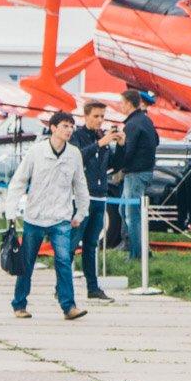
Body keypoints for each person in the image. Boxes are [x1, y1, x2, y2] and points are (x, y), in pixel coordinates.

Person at [4, 111, 91, 321]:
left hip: (61, 218)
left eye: (71, 126)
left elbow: (80, 185)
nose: (69, 130)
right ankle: (19, 304)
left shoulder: (74, 154)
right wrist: (11, 211)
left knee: (63, 260)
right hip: (35, 217)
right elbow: (19, 181)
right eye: (65, 126)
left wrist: (81, 212)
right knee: (27, 262)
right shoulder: (36, 152)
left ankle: (68, 306)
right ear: (53, 128)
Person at [69, 101, 121, 302]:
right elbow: (78, 157)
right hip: (82, 197)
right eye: (96, 116)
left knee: (91, 244)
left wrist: (121, 145)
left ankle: (93, 287)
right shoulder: (77, 137)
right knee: (72, 243)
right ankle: (62, 285)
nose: (100, 120)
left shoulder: (102, 138)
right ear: (86, 116)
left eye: (102, 117)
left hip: (100, 195)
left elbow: (114, 164)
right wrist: (100, 143)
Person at [113, 89, 158, 259]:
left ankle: (137, 253)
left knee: (133, 215)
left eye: (122, 103)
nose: (120, 106)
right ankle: (138, 248)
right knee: (123, 209)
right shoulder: (146, 120)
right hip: (144, 171)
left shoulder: (131, 125)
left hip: (136, 174)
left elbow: (128, 151)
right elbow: (157, 139)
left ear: (129, 104)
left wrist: (118, 167)